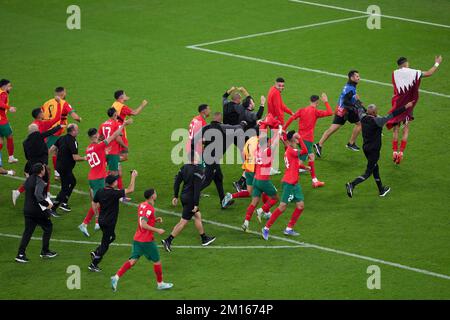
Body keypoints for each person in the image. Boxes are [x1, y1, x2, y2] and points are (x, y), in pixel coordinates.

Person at [346, 101, 414, 198]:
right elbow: (392, 115)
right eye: (376, 111)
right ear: (373, 113)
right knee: (368, 172)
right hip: (374, 150)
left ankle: (381, 190)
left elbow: (360, 108)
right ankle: (352, 185)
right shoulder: (378, 121)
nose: (378, 111)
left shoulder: (362, 117)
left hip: (366, 148)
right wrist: (406, 106)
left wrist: (357, 101)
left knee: (375, 168)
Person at [111, 189, 173, 291]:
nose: (156, 194)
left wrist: (154, 220)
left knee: (132, 261)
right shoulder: (150, 208)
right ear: (152, 196)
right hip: (147, 241)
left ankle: (116, 277)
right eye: (155, 193)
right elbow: (143, 224)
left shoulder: (141, 205)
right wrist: (157, 230)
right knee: (157, 261)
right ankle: (160, 284)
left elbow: (143, 220)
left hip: (137, 239)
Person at [78, 119, 132, 237]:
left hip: (93, 176)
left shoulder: (89, 148)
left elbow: (96, 158)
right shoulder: (99, 146)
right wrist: (123, 124)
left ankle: (93, 223)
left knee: (97, 201)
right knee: (98, 202)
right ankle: (86, 223)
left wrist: (104, 152)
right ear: (96, 135)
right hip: (98, 178)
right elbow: (113, 136)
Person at [387, 55, 443, 164]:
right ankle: (401, 152)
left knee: (396, 128)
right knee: (406, 128)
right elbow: (429, 73)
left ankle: (394, 151)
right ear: (406, 63)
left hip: (397, 104)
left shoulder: (395, 73)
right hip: (408, 104)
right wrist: (437, 63)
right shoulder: (413, 72)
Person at [161, 155, 215, 252]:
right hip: (191, 199)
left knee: (198, 215)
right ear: (194, 159)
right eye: (197, 157)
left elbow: (177, 182)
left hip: (184, 196)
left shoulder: (183, 168)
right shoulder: (198, 170)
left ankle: (204, 238)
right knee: (183, 222)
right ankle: (168, 240)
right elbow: (197, 189)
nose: (198, 158)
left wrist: (175, 196)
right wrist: (196, 204)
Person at [191, 112, 246, 208]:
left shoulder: (205, 128)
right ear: (220, 120)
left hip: (208, 156)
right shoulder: (224, 127)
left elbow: (193, 141)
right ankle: (190, 194)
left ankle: (223, 201)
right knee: (207, 180)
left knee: (218, 178)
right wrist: (243, 123)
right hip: (212, 159)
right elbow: (238, 128)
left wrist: (201, 147)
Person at [262, 131, 309, 240]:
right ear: (293, 140)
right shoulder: (292, 151)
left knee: (300, 206)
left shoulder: (290, 150)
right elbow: (305, 151)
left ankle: (289, 229)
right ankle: (266, 228)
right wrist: (301, 138)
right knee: (282, 207)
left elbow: (294, 165)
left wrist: (304, 167)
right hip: (289, 183)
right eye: (296, 138)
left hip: (295, 183)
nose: (297, 140)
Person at [89, 171, 138, 272]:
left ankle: (97, 252)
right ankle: (94, 263)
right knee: (105, 244)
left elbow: (94, 203)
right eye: (116, 180)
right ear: (113, 183)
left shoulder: (100, 191)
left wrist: (96, 215)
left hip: (101, 221)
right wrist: (133, 176)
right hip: (109, 222)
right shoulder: (114, 193)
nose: (117, 181)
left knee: (111, 237)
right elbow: (131, 189)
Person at [284, 93, 333, 188]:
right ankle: (294, 179)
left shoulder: (302, 110)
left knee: (307, 157)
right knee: (306, 158)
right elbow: (330, 112)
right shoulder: (316, 112)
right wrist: (326, 101)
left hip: (299, 138)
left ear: (310, 101)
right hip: (307, 140)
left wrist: (284, 129)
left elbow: (292, 118)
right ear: (317, 102)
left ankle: (313, 180)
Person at [241, 122, 281, 232]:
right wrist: (279, 132)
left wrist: (264, 126)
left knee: (254, 202)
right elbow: (275, 144)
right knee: (275, 198)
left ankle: (246, 222)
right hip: (264, 180)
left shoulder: (257, 151)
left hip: (255, 180)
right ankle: (261, 210)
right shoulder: (267, 151)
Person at [12, 123, 62, 208]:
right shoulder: (38, 136)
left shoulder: (25, 142)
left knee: (39, 177)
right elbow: (49, 132)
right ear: (36, 130)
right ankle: (43, 196)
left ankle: (18, 192)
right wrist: (59, 127)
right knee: (42, 177)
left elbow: (26, 156)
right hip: (40, 162)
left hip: (31, 163)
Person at [314, 70, 363, 157]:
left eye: (359, 76)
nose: (359, 78)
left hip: (340, 110)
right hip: (346, 111)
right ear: (352, 78)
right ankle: (351, 143)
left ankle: (319, 144)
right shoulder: (350, 88)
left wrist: (357, 102)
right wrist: (355, 105)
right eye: (357, 76)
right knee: (360, 124)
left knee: (333, 128)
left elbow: (347, 98)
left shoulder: (349, 86)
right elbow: (346, 101)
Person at [15, 163, 57, 263]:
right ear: (41, 171)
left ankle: (20, 254)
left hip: (27, 210)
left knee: (28, 232)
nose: (44, 170)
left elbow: (26, 189)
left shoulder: (29, 179)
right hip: (36, 211)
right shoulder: (40, 182)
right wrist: (48, 204)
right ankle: (45, 251)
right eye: (43, 169)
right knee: (48, 227)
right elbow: (38, 196)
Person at [41, 87, 82, 179]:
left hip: (46, 129)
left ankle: (56, 172)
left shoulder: (47, 102)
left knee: (54, 150)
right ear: (63, 93)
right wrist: (79, 119)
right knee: (50, 151)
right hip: (56, 131)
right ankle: (40, 169)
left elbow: (41, 114)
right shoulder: (64, 103)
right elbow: (74, 116)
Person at [49, 124, 87, 212]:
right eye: (77, 130)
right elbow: (75, 158)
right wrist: (84, 158)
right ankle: (53, 208)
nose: (78, 131)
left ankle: (64, 203)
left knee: (73, 182)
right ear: (73, 131)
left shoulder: (61, 138)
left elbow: (52, 149)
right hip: (65, 168)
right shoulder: (73, 141)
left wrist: (57, 156)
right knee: (65, 188)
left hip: (60, 166)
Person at [112, 90, 148, 164]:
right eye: (125, 94)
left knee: (117, 152)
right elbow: (134, 113)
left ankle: (113, 166)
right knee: (124, 156)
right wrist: (143, 105)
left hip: (113, 130)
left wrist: (124, 121)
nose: (126, 95)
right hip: (120, 133)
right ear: (121, 97)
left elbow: (116, 117)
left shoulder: (114, 104)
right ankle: (107, 162)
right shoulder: (122, 107)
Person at [99, 108, 128, 179]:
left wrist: (107, 139)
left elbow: (100, 137)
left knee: (117, 172)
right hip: (113, 151)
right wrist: (124, 146)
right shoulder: (116, 124)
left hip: (105, 150)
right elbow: (118, 138)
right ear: (115, 114)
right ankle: (106, 186)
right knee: (114, 175)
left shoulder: (103, 124)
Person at [0, 79, 18, 163]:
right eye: (9, 86)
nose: (10, 87)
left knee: (0, 140)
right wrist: (9, 108)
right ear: (4, 86)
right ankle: (11, 157)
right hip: (2, 120)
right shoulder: (3, 94)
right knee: (9, 136)